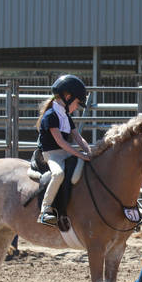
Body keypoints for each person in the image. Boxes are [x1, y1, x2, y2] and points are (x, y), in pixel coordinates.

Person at [37, 74, 92, 227]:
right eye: (77, 103)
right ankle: (46, 209)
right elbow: (60, 142)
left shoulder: (66, 116)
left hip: (64, 152)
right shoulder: (51, 116)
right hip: (52, 155)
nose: (77, 107)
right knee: (59, 174)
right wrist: (80, 154)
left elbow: (77, 137)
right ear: (67, 97)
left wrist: (89, 151)